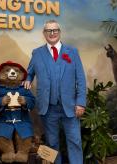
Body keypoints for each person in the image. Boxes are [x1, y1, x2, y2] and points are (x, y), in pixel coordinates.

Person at [24, 20, 86, 164]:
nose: (52, 33)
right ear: (44, 33)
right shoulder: (37, 53)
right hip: (48, 107)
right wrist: (27, 78)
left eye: (55, 30)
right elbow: (30, 71)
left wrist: (81, 103)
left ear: (59, 32)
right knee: (52, 144)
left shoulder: (73, 52)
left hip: (70, 107)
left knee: (75, 142)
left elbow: (81, 80)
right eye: (48, 31)